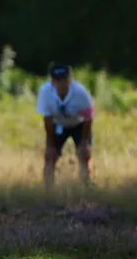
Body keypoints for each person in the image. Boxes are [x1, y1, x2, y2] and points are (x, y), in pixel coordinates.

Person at [36, 62, 95, 190]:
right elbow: (47, 119)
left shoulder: (80, 92)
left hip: (79, 124)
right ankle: (48, 190)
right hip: (58, 125)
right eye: (57, 81)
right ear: (52, 82)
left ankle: (86, 186)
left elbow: (88, 117)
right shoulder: (45, 92)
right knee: (50, 157)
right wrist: (51, 145)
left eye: (63, 80)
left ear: (69, 80)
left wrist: (85, 142)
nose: (61, 84)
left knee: (84, 155)